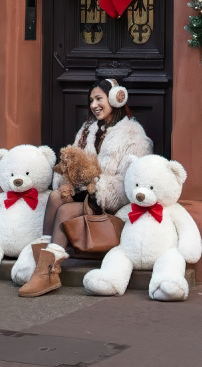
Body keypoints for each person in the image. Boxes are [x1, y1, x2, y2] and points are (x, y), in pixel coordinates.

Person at [17, 78, 152, 297]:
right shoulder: (87, 129)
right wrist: (70, 180)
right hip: (84, 193)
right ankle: (40, 264)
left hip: (105, 202)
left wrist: (98, 191)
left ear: (115, 98)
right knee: (55, 197)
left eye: (99, 99)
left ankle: (48, 272)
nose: (94, 105)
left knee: (64, 210)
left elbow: (130, 179)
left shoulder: (133, 135)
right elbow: (73, 162)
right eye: (91, 100)